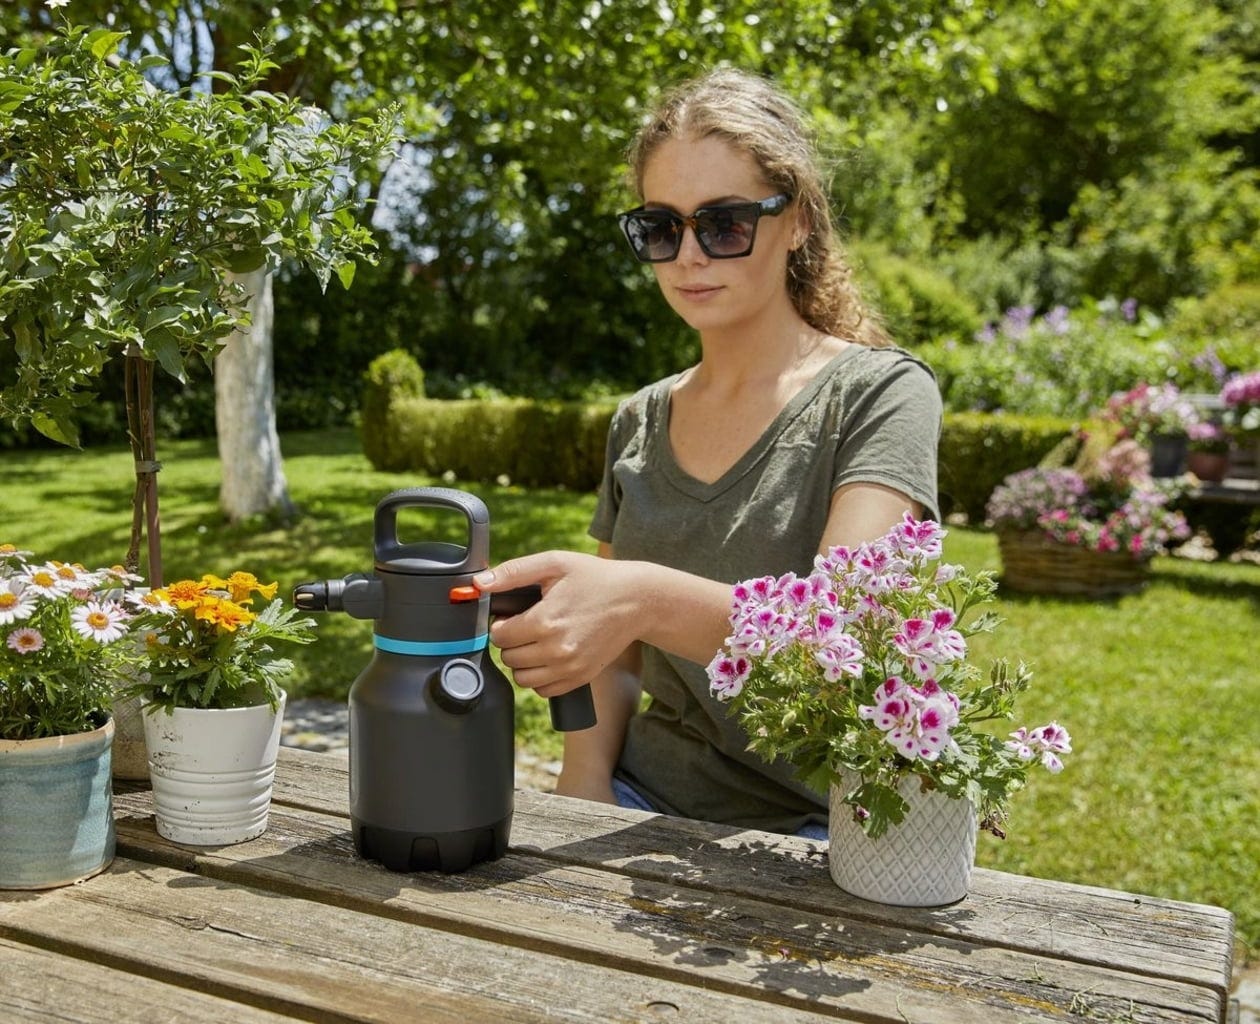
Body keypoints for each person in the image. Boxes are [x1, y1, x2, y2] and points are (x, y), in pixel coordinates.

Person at [474, 68, 941, 838]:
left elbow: (844, 638)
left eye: (723, 224)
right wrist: (583, 782)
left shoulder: (881, 394)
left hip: (817, 828)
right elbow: (616, 660)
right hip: (640, 798)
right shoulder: (639, 419)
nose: (689, 255)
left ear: (797, 221)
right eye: (662, 227)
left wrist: (639, 596)